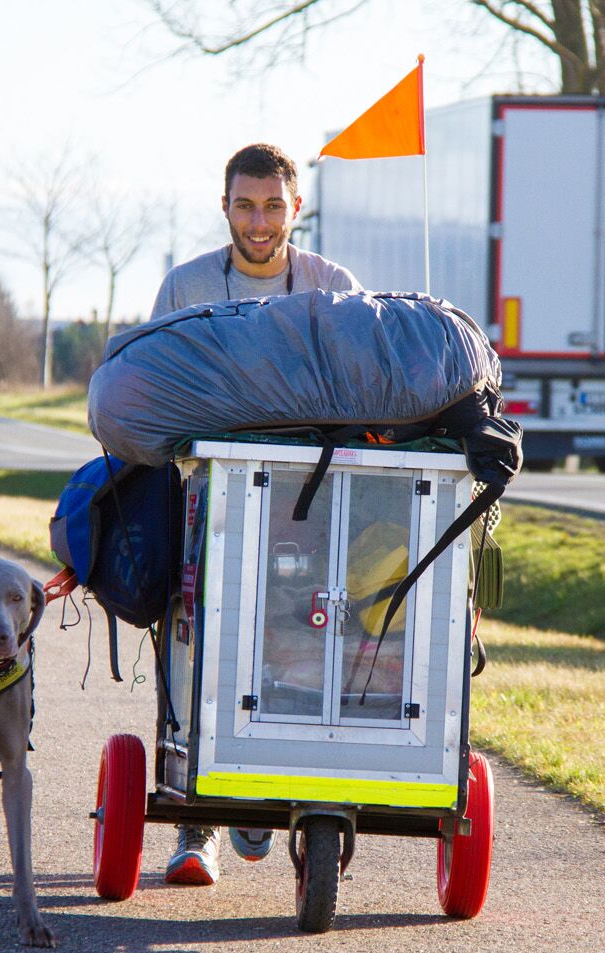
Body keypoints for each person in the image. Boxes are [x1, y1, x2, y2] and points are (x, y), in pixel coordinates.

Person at [150, 142, 361, 886]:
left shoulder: (332, 287)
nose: (260, 220)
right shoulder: (186, 286)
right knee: (194, 641)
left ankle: (270, 791)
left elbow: (362, 388)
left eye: (274, 205)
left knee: (299, 640)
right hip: (206, 499)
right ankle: (197, 822)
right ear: (225, 206)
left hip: (308, 503)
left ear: (296, 208)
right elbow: (154, 387)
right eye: (246, 204)